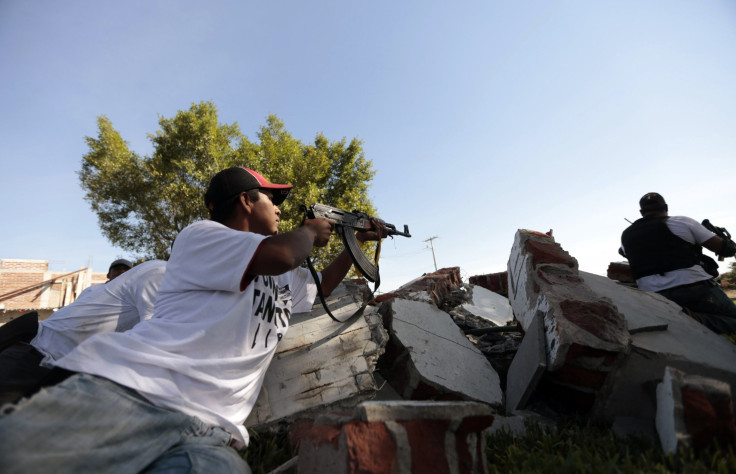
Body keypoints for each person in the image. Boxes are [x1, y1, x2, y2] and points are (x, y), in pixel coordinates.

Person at [0, 167, 387, 474]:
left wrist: (355, 241)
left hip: (211, 434)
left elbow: (321, 286)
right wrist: (309, 231)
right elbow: (285, 253)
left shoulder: (282, 275)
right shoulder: (201, 237)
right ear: (245, 201)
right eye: (272, 197)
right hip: (131, 395)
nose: (281, 207)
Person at [0, 259, 166, 405]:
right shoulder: (159, 273)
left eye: (125, 269)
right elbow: (152, 334)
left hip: (62, 369)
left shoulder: (149, 286)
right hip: (39, 354)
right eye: (117, 269)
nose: (122, 272)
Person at [620, 192, 736, 334]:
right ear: (666, 207)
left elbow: (625, 253)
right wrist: (727, 242)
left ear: (641, 212)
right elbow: (725, 249)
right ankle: (697, 320)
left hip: (655, 297)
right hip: (695, 288)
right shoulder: (681, 221)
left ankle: (689, 320)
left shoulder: (625, 235)